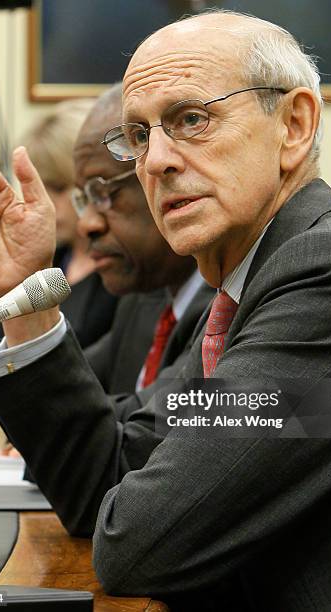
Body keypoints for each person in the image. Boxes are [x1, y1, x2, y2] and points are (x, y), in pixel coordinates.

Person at [0, 10, 331, 611]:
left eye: (191, 119)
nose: (156, 161)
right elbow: (108, 475)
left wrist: (137, 501)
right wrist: (27, 294)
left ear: (294, 125)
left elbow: (140, 542)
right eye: (139, 136)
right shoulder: (244, 284)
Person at [72, 84, 213, 393]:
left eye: (104, 191)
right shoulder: (143, 299)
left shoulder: (234, 303)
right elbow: (62, 403)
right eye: (84, 199)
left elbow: (144, 430)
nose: (87, 225)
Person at [21, 99, 118, 349]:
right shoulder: (51, 259)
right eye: (40, 188)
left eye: (58, 187)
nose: (46, 203)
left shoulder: (124, 271)